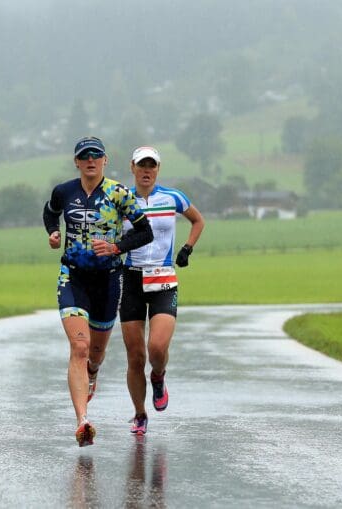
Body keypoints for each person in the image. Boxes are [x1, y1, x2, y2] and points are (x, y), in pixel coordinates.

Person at [43, 136, 154, 447]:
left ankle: (93, 371)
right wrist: (53, 231)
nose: (90, 160)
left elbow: (145, 231)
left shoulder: (119, 194)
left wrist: (117, 247)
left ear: (105, 161)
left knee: (95, 353)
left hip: (108, 280)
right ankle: (82, 421)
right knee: (79, 348)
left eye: (96, 155)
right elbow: (50, 212)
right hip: (73, 278)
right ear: (76, 162)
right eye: (84, 156)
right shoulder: (63, 191)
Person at [119, 146, 205, 436]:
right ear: (132, 167)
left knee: (156, 348)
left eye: (151, 166)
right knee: (135, 357)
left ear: (158, 169)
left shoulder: (173, 197)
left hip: (163, 279)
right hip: (131, 279)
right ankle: (140, 414)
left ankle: (158, 376)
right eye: (141, 165)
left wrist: (187, 249)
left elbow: (198, 220)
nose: (146, 170)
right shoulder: (123, 200)